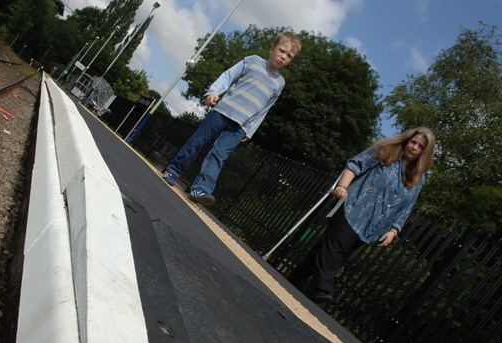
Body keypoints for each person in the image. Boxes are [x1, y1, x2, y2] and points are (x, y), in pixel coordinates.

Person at [290, 127, 436, 304]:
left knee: (335, 252)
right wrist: (342, 186)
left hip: (373, 226)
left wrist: (394, 230)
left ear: (424, 153)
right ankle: (322, 289)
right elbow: (354, 165)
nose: (414, 147)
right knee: (335, 249)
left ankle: (297, 279)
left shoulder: (419, 179)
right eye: (413, 142)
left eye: (420, 146)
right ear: (406, 140)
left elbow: (406, 207)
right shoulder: (385, 152)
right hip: (351, 207)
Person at [162, 31, 302, 206]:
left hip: (240, 126)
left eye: (289, 56)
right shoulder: (252, 61)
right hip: (222, 112)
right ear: (272, 48)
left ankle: (200, 189)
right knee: (198, 141)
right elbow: (228, 76)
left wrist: (250, 130)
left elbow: (264, 110)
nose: (284, 57)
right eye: (282, 51)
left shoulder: (279, 83)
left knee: (218, 155)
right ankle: (173, 171)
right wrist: (213, 91)